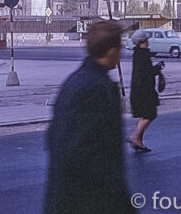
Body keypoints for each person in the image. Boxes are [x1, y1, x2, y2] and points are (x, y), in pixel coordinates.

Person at [44, 20, 133, 213]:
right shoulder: (99, 88)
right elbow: (98, 159)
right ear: (112, 51)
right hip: (86, 202)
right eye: (120, 47)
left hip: (63, 198)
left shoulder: (74, 80)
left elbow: (53, 138)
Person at [128, 29, 163, 152]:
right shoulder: (142, 55)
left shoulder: (138, 53)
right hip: (144, 90)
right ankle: (134, 136)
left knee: (145, 114)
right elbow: (146, 74)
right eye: (146, 40)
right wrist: (157, 69)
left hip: (140, 89)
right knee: (150, 114)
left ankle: (139, 141)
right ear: (142, 41)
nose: (148, 42)